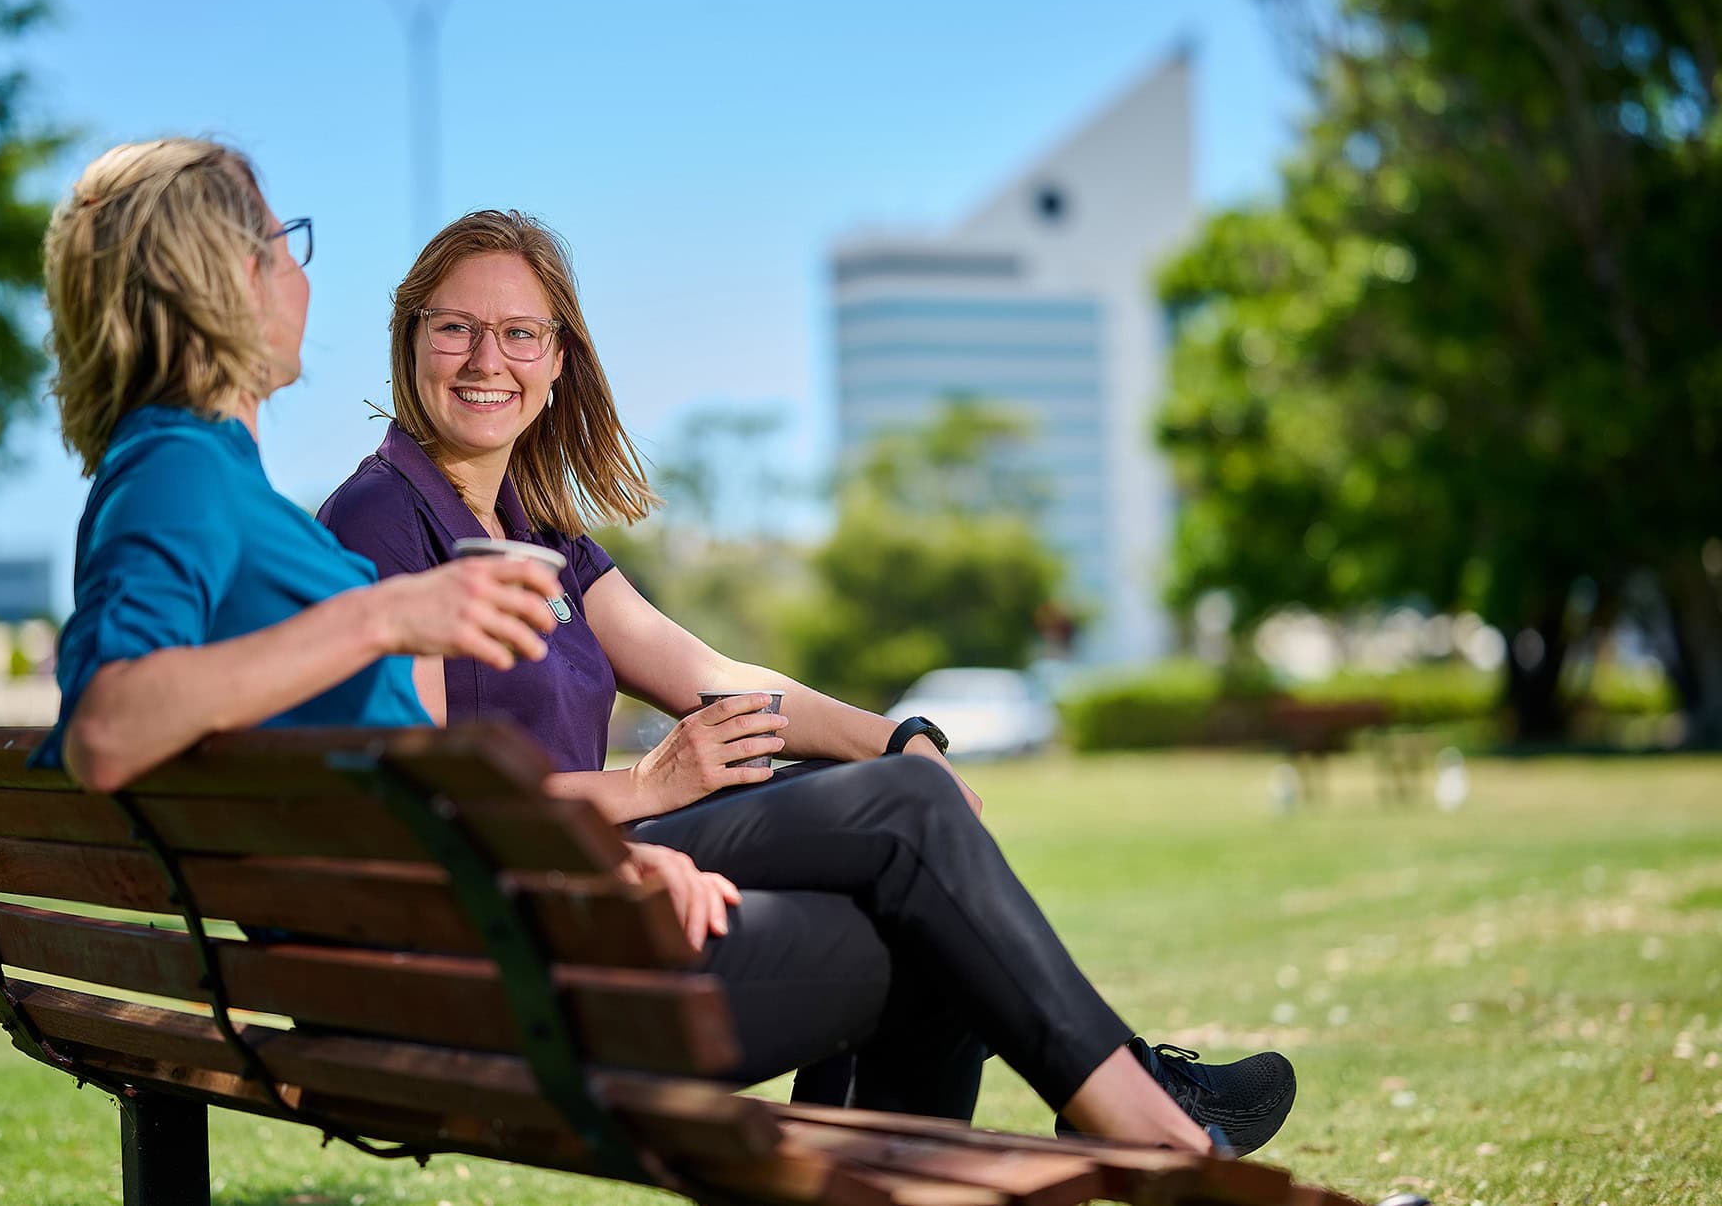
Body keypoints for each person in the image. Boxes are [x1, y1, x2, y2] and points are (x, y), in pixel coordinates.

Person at [315, 210, 1296, 1152]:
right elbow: (426, 797)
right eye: (457, 328)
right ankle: (1131, 1099)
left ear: (560, 359)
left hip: (572, 873)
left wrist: (896, 736)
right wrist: (646, 793)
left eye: (520, 333)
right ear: (411, 344)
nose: (489, 360)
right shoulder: (384, 523)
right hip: (512, 921)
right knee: (934, 909)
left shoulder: (543, 537)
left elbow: (714, 675)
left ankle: (1116, 1090)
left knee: (916, 835)